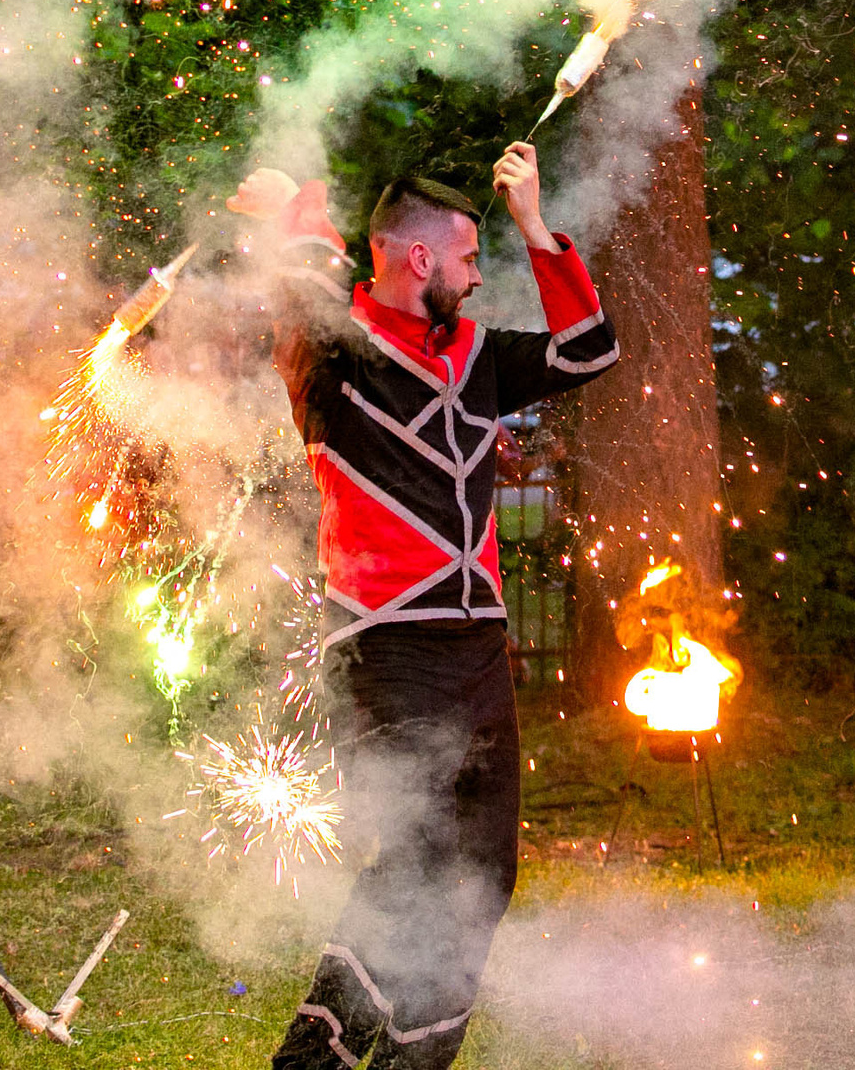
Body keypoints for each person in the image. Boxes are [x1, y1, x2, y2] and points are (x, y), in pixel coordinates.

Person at [232, 144, 618, 1070]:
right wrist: (295, 223)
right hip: (382, 648)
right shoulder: (331, 351)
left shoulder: (480, 355)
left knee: (482, 875)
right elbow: (306, 283)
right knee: (412, 867)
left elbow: (589, 349)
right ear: (420, 261)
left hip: (478, 650)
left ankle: (412, 1063)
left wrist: (532, 225)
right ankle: (311, 1062)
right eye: (473, 258)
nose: (481, 277)